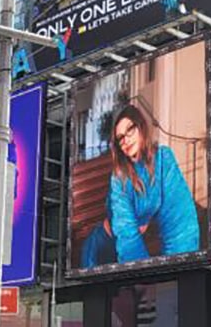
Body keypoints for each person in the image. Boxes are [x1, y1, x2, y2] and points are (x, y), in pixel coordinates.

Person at [81, 104, 200, 267]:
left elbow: (179, 219)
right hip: (103, 247)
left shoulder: (163, 158)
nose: (126, 140)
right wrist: (142, 273)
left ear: (141, 127)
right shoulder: (119, 176)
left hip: (135, 240)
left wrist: (178, 267)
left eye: (130, 130)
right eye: (120, 138)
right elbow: (126, 231)